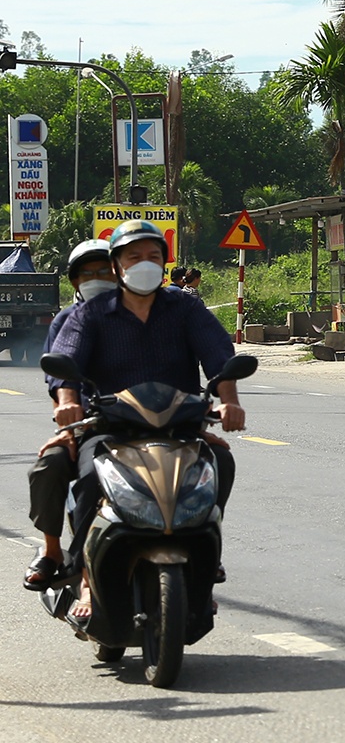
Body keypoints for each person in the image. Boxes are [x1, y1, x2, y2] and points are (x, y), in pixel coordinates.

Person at [43, 220, 245, 614]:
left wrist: (230, 401)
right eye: (134, 257)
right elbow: (66, 361)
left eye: (153, 256)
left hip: (179, 426)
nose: (144, 264)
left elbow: (221, 358)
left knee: (219, 461)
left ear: (165, 264)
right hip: (109, 429)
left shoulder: (185, 307)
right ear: (117, 266)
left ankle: (205, 548)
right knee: (86, 481)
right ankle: (82, 571)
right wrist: (68, 402)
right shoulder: (92, 313)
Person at [21, 239, 115, 590]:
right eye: (88, 273)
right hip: (91, 422)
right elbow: (59, 378)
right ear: (75, 281)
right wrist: (68, 426)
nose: (97, 278)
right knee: (51, 465)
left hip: (146, 418)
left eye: (104, 270)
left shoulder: (143, 313)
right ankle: (53, 552)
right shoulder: (67, 321)